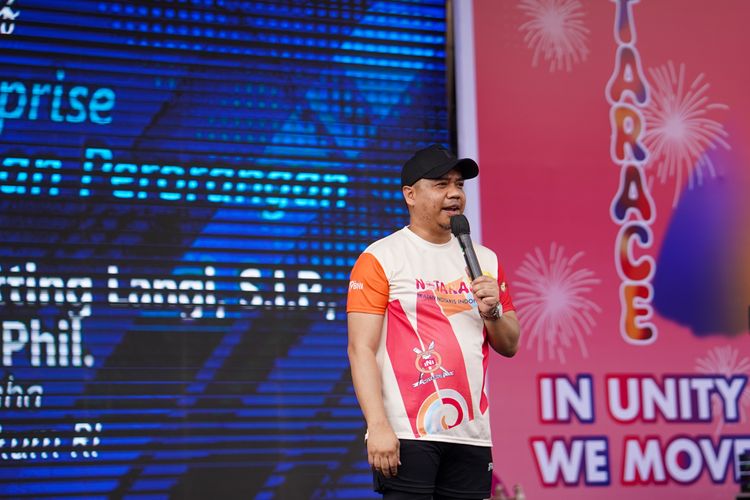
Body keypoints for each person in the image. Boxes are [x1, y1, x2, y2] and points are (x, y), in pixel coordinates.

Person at [347, 144, 521, 499]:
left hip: (471, 433)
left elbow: (510, 344)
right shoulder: (381, 257)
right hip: (407, 431)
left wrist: (492, 311)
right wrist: (377, 425)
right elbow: (360, 349)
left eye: (459, 185)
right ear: (410, 195)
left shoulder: (484, 260)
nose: (454, 193)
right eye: (441, 184)